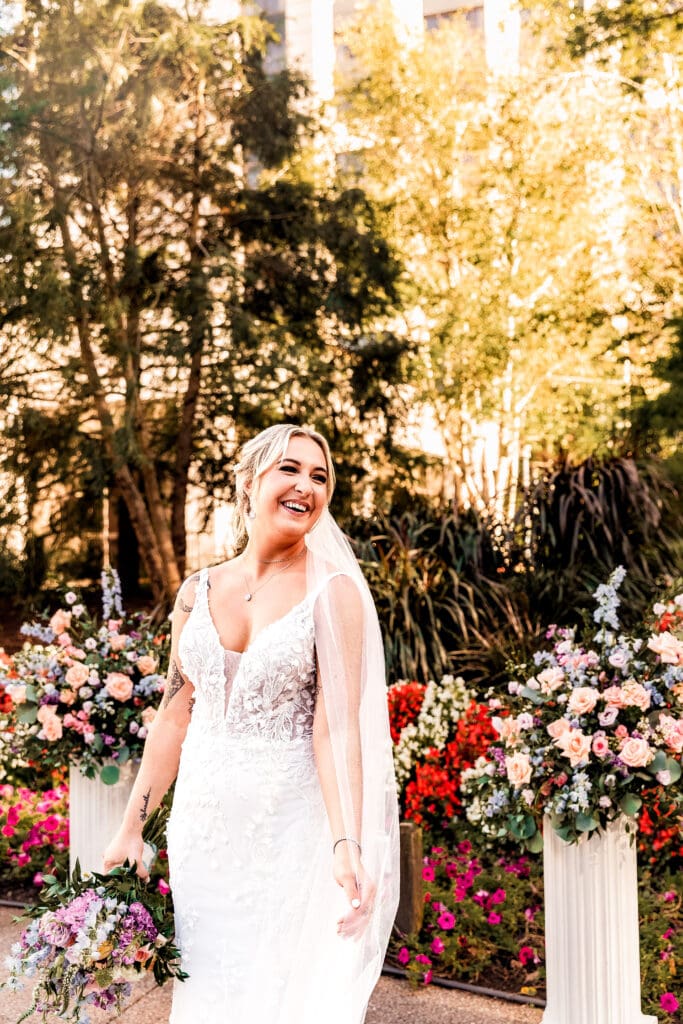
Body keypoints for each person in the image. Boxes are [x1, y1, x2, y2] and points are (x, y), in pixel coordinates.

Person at [103, 424, 400, 1024]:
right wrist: (131, 828)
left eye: (320, 477)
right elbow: (174, 714)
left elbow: (337, 731)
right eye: (289, 469)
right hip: (203, 831)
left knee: (283, 997)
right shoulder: (198, 590)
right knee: (210, 989)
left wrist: (348, 845)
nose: (306, 487)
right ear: (248, 482)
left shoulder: (333, 592)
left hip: (291, 831)